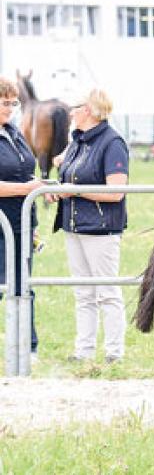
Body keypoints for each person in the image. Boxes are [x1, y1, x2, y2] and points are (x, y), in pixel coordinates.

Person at [49, 89, 129, 364]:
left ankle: (114, 352)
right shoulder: (77, 141)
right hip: (74, 226)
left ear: (89, 109)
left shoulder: (112, 142)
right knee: (83, 292)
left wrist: (75, 191)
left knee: (106, 292)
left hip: (100, 228)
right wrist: (58, 190)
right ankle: (83, 350)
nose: (70, 112)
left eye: (75, 106)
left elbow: (116, 192)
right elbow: (68, 176)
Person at [0, 77, 43, 360]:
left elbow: (26, 171)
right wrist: (26, 189)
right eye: (5, 102)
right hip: (1, 223)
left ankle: (27, 347)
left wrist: (33, 219)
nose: (10, 108)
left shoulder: (14, 132)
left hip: (21, 223)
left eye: (13, 102)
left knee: (23, 284)